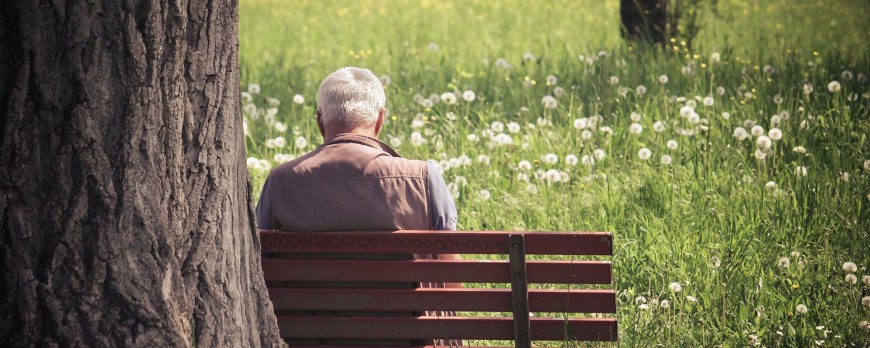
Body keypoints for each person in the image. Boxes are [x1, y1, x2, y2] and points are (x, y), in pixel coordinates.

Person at [256, 67, 461, 346]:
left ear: (319, 120)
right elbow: (453, 284)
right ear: (380, 119)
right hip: (411, 341)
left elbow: (262, 273)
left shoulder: (280, 182)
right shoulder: (423, 178)